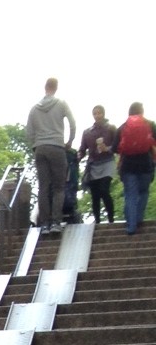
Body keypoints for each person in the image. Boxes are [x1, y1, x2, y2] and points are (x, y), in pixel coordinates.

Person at [25, 77, 76, 232]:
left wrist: (35, 144)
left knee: (43, 187)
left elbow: (28, 132)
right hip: (57, 147)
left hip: (40, 149)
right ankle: (55, 221)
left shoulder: (34, 108)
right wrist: (69, 141)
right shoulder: (61, 104)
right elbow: (73, 124)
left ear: (45, 87)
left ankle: (45, 223)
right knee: (59, 187)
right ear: (56, 87)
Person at [116, 101, 156, 235]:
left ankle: (131, 226)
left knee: (130, 195)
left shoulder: (122, 127)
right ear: (141, 112)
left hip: (128, 166)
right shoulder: (150, 125)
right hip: (146, 164)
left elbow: (115, 147)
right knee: (144, 192)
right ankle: (139, 218)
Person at [78, 105, 117, 225]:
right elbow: (83, 149)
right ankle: (98, 221)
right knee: (95, 195)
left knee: (104, 190)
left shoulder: (111, 128)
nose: (97, 115)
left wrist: (108, 148)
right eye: (95, 113)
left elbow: (117, 146)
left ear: (103, 114)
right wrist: (78, 156)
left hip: (107, 162)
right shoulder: (87, 132)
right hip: (93, 165)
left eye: (99, 113)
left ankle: (111, 218)